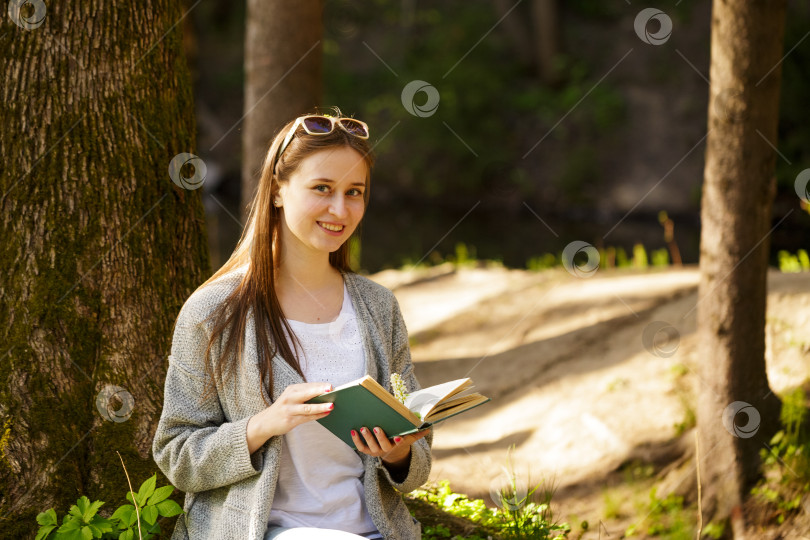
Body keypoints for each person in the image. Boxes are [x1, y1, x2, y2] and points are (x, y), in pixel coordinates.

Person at [152, 109, 432, 540]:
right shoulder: (213, 311)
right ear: (278, 191)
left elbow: (418, 465)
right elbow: (176, 454)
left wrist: (399, 455)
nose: (340, 209)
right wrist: (264, 424)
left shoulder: (379, 307)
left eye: (354, 192)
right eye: (322, 188)